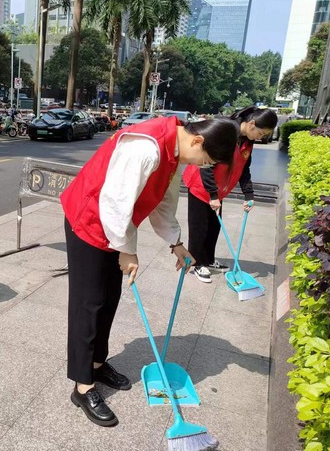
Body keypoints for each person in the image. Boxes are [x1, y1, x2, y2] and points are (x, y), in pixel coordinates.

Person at [59, 116, 238, 427]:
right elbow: (115, 202)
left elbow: (164, 201)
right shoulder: (146, 148)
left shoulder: (175, 150)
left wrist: (176, 243)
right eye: (206, 161)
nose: (203, 166)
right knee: (89, 304)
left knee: (109, 298)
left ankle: (97, 364)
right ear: (197, 141)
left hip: (114, 226)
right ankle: (82, 386)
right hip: (88, 219)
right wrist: (126, 250)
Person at [183, 106, 278, 283]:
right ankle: (197, 263)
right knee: (199, 227)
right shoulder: (225, 131)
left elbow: (244, 168)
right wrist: (212, 195)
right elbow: (205, 163)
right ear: (251, 124)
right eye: (261, 133)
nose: (261, 137)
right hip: (201, 184)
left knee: (214, 226)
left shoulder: (247, 141)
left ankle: (208, 260)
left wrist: (249, 194)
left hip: (218, 189)